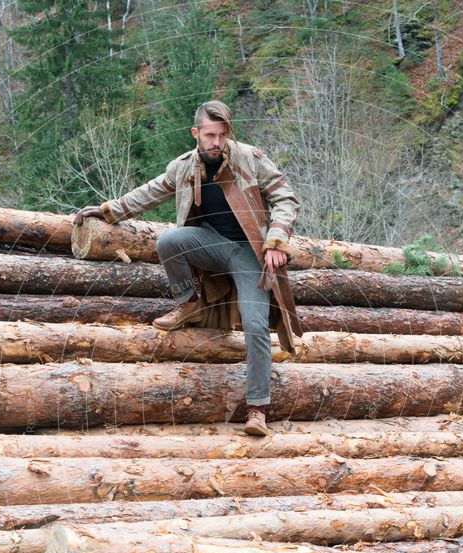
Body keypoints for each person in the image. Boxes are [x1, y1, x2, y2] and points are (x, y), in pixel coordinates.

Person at [74, 100, 303, 437]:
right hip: (210, 243)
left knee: (255, 326)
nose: (217, 142)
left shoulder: (249, 158)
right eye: (210, 135)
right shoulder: (183, 167)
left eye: (222, 135)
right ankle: (189, 301)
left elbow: (286, 197)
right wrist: (108, 211)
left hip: (249, 252)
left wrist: (276, 240)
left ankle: (257, 409)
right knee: (169, 241)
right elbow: (149, 193)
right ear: (196, 133)